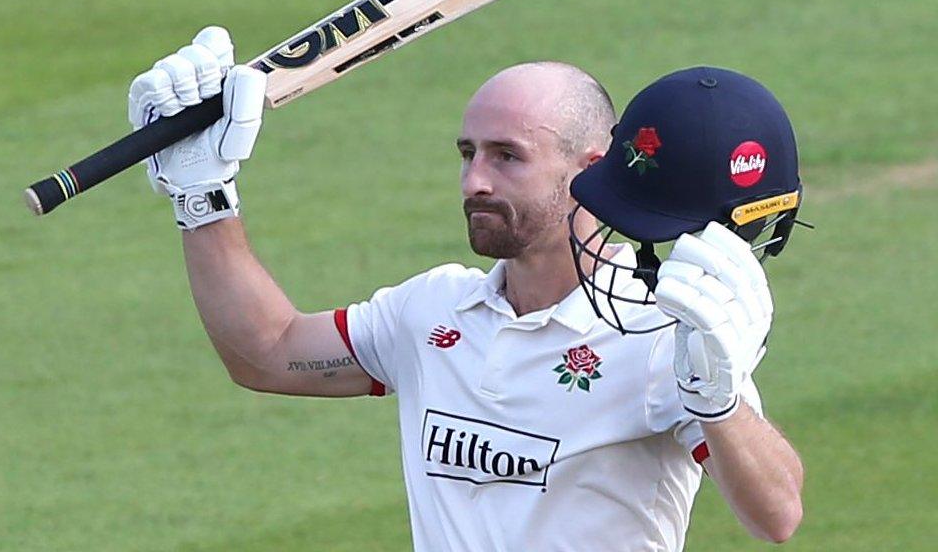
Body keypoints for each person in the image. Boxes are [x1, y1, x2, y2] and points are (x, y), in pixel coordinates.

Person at [128, 27, 803, 551]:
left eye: (507, 156)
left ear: (591, 168)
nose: (474, 180)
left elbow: (777, 513)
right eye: (467, 153)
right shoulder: (430, 313)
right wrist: (204, 198)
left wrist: (719, 404)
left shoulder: (665, 333)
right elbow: (266, 351)